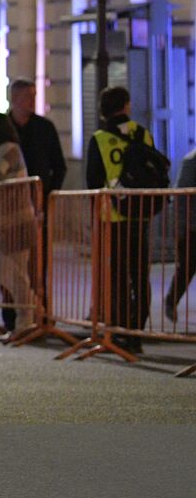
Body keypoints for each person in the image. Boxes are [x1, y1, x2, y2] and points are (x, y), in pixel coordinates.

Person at [85, 86, 156, 354]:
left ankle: (118, 330)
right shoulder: (143, 134)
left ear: (103, 109)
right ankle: (136, 332)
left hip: (111, 218)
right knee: (140, 275)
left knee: (116, 277)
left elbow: (93, 182)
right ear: (126, 105)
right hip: (141, 215)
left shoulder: (100, 138)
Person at [0, 112, 36, 342]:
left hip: (17, 219)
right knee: (6, 274)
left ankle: (27, 321)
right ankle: (26, 320)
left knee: (17, 273)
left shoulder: (9, 149)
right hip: (4, 220)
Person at [9, 79, 67, 195]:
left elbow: (58, 165)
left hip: (39, 195)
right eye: (27, 96)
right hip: (9, 197)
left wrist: (50, 192)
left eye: (34, 96)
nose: (32, 101)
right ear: (14, 98)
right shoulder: (3, 126)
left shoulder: (45, 127)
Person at [162, 148, 196, 326]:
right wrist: (180, 227)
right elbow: (181, 196)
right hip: (192, 227)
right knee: (187, 268)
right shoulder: (192, 160)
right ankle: (171, 301)